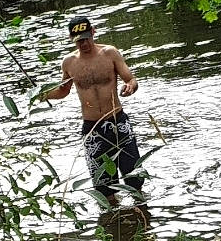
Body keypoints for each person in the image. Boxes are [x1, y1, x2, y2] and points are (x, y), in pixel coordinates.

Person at [40, 16, 147, 200]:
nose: (84, 44)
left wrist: (131, 86)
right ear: (71, 39)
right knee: (103, 187)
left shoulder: (110, 53)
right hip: (92, 129)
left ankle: (142, 217)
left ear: (94, 32)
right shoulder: (69, 62)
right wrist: (42, 95)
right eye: (79, 41)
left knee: (135, 178)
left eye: (86, 38)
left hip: (117, 121)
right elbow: (63, 91)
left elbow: (131, 79)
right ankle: (113, 221)